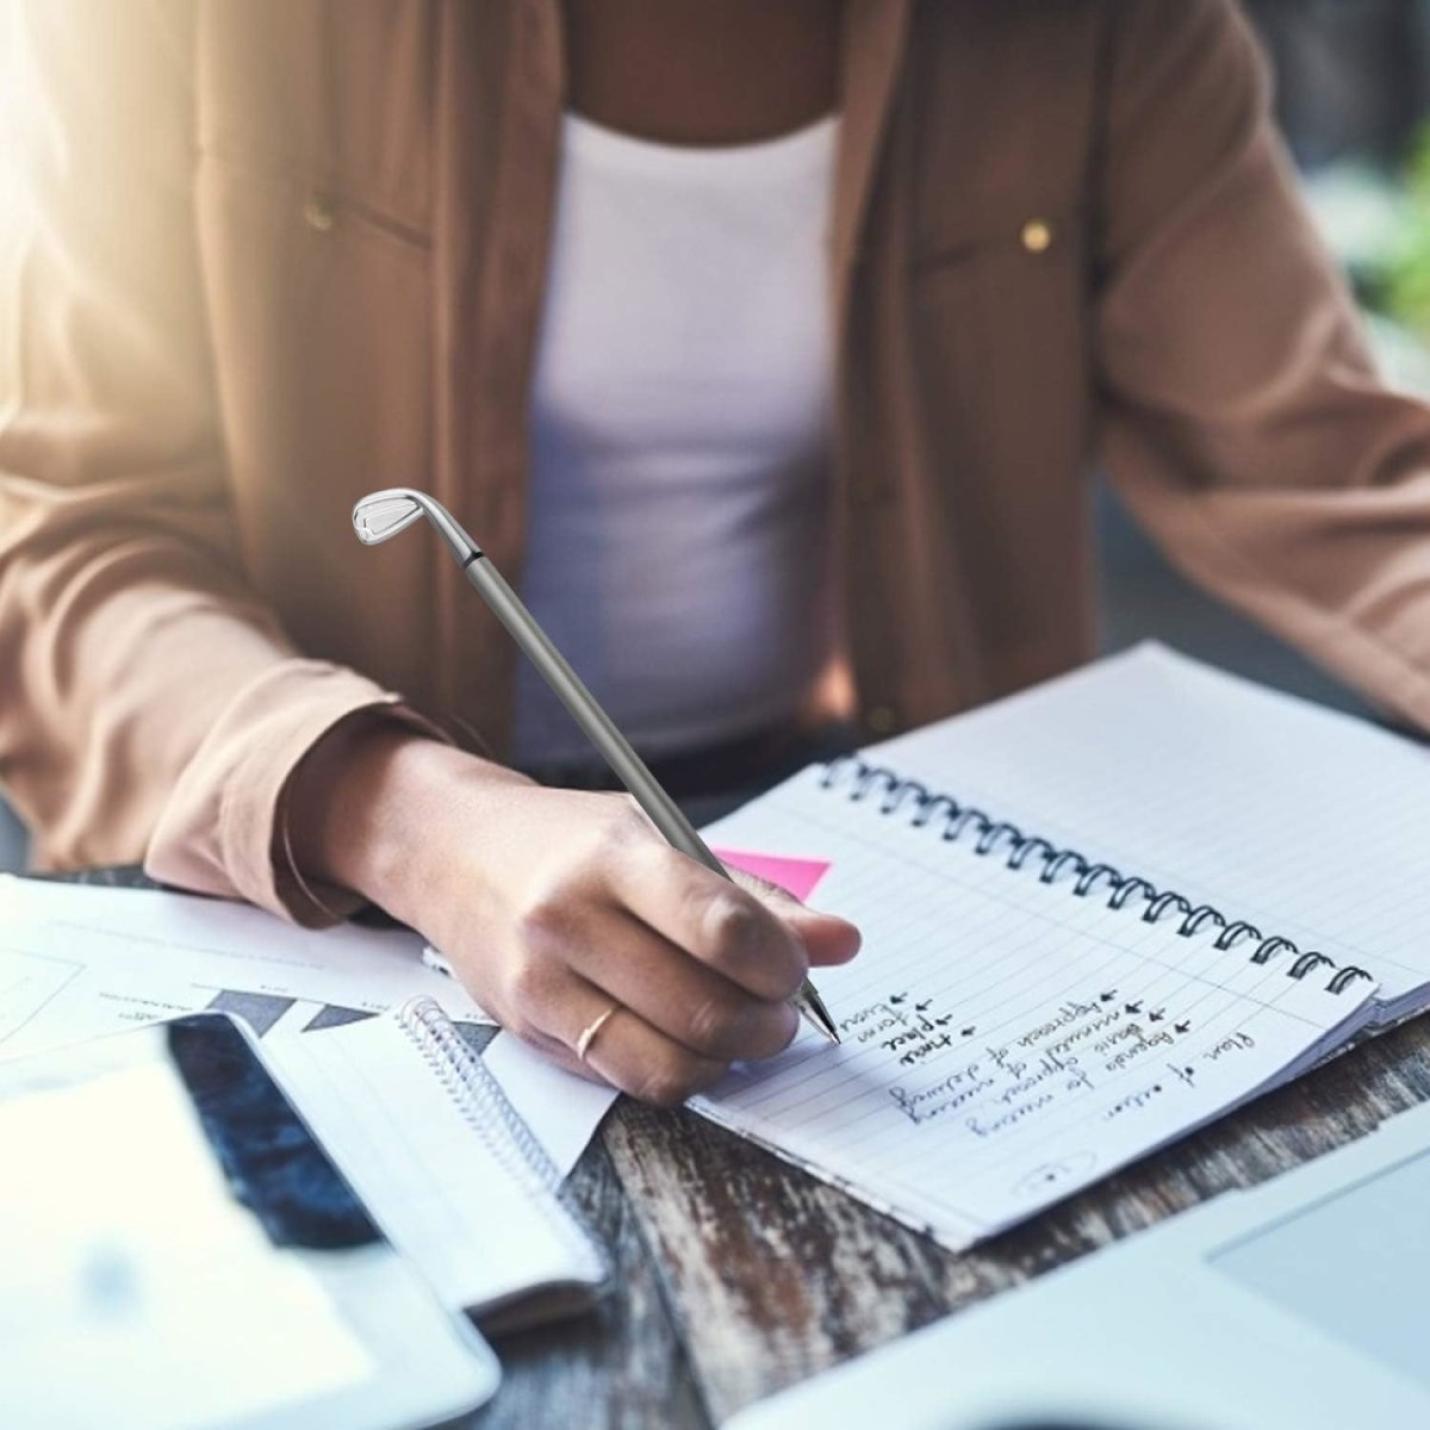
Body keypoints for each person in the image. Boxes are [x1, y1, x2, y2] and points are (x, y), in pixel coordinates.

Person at [4, 1, 1430, 1105]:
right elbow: (60, 538)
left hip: (894, 868)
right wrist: (409, 822)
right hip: (335, 892)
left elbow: (1325, 457)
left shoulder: (1105, 25)